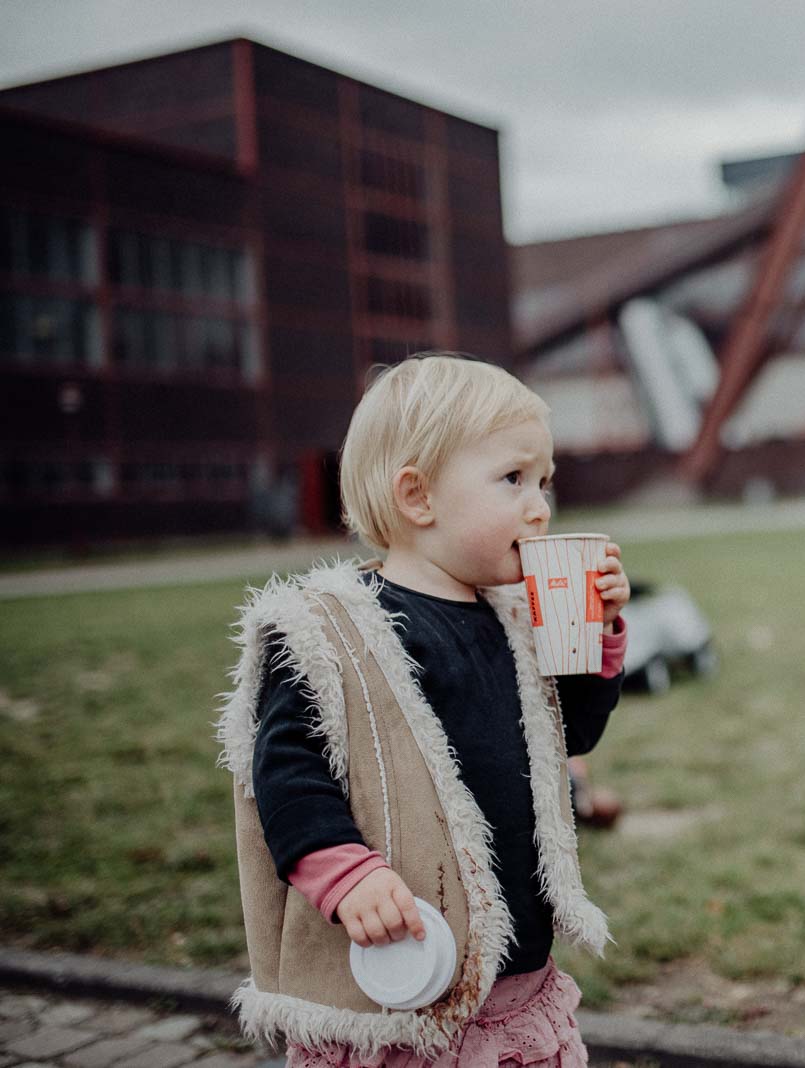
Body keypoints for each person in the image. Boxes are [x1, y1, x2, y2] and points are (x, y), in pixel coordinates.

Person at [215, 353, 631, 1067]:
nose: (541, 507)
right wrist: (350, 876)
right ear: (418, 497)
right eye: (514, 479)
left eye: (545, 482)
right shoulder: (334, 635)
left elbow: (572, 734)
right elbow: (286, 772)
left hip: (515, 976)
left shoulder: (513, 620)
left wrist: (593, 638)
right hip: (404, 973)